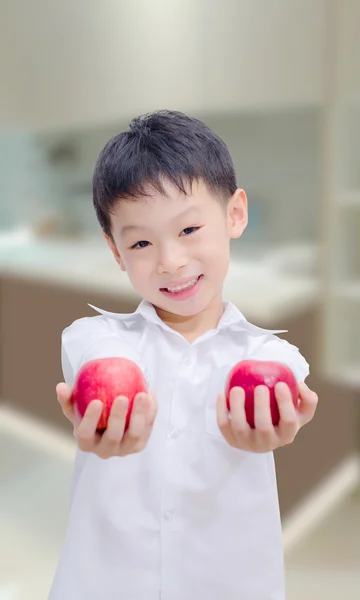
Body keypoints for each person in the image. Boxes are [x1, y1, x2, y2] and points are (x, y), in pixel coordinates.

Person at [49, 110, 318, 600]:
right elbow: (95, 352)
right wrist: (111, 385)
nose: (170, 261)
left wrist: (282, 421)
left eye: (189, 230)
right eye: (142, 242)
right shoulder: (95, 336)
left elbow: (288, 378)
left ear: (236, 214)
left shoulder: (270, 353)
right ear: (115, 251)